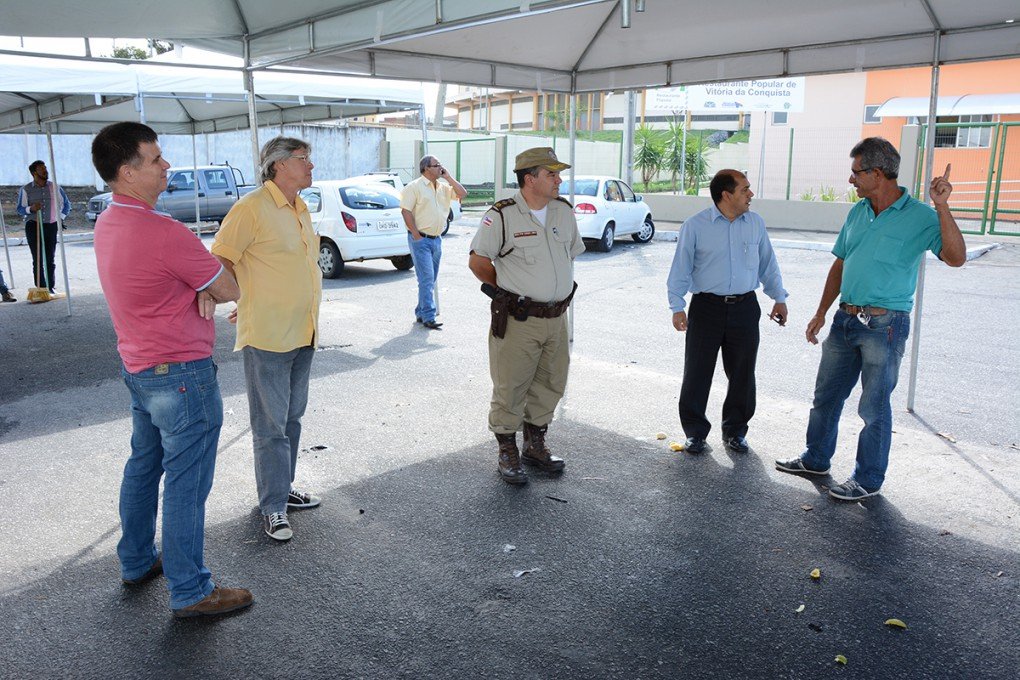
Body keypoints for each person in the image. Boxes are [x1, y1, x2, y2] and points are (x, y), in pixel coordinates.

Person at [91, 121, 252, 618]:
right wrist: (203, 285)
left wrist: (195, 285)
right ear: (127, 172)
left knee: (144, 467)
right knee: (186, 481)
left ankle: (137, 560)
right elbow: (230, 289)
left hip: (140, 367)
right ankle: (191, 589)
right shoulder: (165, 232)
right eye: (156, 159)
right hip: (182, 374)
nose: (167, 166)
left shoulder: (107, 222)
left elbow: (178, 282)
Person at [776, 137, 966, 501]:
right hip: (845, 320)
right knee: (826, 396)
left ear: (877, 173)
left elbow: (956, 258)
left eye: (856, 172)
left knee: (874, 407)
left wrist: (942, 207)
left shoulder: (922, 217)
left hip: (885, 325)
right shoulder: (857, 212)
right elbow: (841, 262)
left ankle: (867, 479)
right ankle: (816, 458)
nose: (851, 180)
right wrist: (821, 311)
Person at [212, 136, 323, 541]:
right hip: (270, 336)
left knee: (292, 418)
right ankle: (272, 505)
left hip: (303, 330)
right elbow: (220, 260)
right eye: (303, 158)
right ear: (278, 165)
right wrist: (242, 299)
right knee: (270, 426)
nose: (310, 165)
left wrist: (252, 294)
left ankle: (283, 488)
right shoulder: (251, 208)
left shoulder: (300, 207)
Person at [468, 147, 584, 485]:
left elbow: (569, 257)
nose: (559, 180)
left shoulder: (564, 212)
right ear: (530, 179)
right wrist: (508, 293)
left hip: (556, 317)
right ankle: (507, 450)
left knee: (551, 381)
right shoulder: (502, 215)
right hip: (519, 319)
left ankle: (536, 444)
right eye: (552, 174)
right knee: (511, 384)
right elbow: (478, 262)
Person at [667, 170, 788, 455]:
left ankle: (735, 431)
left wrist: (779, 297)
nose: (750, 194)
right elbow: (680, 268)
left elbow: (768, 264)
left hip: (745, 307)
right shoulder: (695, 226)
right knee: (697, 371)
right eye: (745, 189)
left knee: (743, 373)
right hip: (706, 307)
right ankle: (695, 433)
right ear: (726, 194)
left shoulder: (755, 223)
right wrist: (677, 306)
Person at [400, 155, 467, 330]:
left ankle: (421, 312)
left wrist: (448, 177)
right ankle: (429, 316)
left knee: (429, 279)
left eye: (440, 165)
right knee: (427, 278)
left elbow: (462, 194)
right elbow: (405, 211)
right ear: (426, 168)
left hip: (436, 240)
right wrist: (416, 235)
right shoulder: (414, 187)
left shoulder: (443, 188)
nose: (440, 167)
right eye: (436, 165)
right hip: (420, 239)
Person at [17, 160, 71, 293]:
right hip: (33, 225)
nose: (45, 171)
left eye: (45, 168)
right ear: (34, 172)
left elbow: (66, 205)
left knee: (50, 258)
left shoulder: (54, 187)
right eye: (42, 169)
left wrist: (60, 219)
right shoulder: (26, 189)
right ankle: (41, 288)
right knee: (37, 258)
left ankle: (50, 287)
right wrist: (31, 208)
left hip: (51, 225)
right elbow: (20, 209)